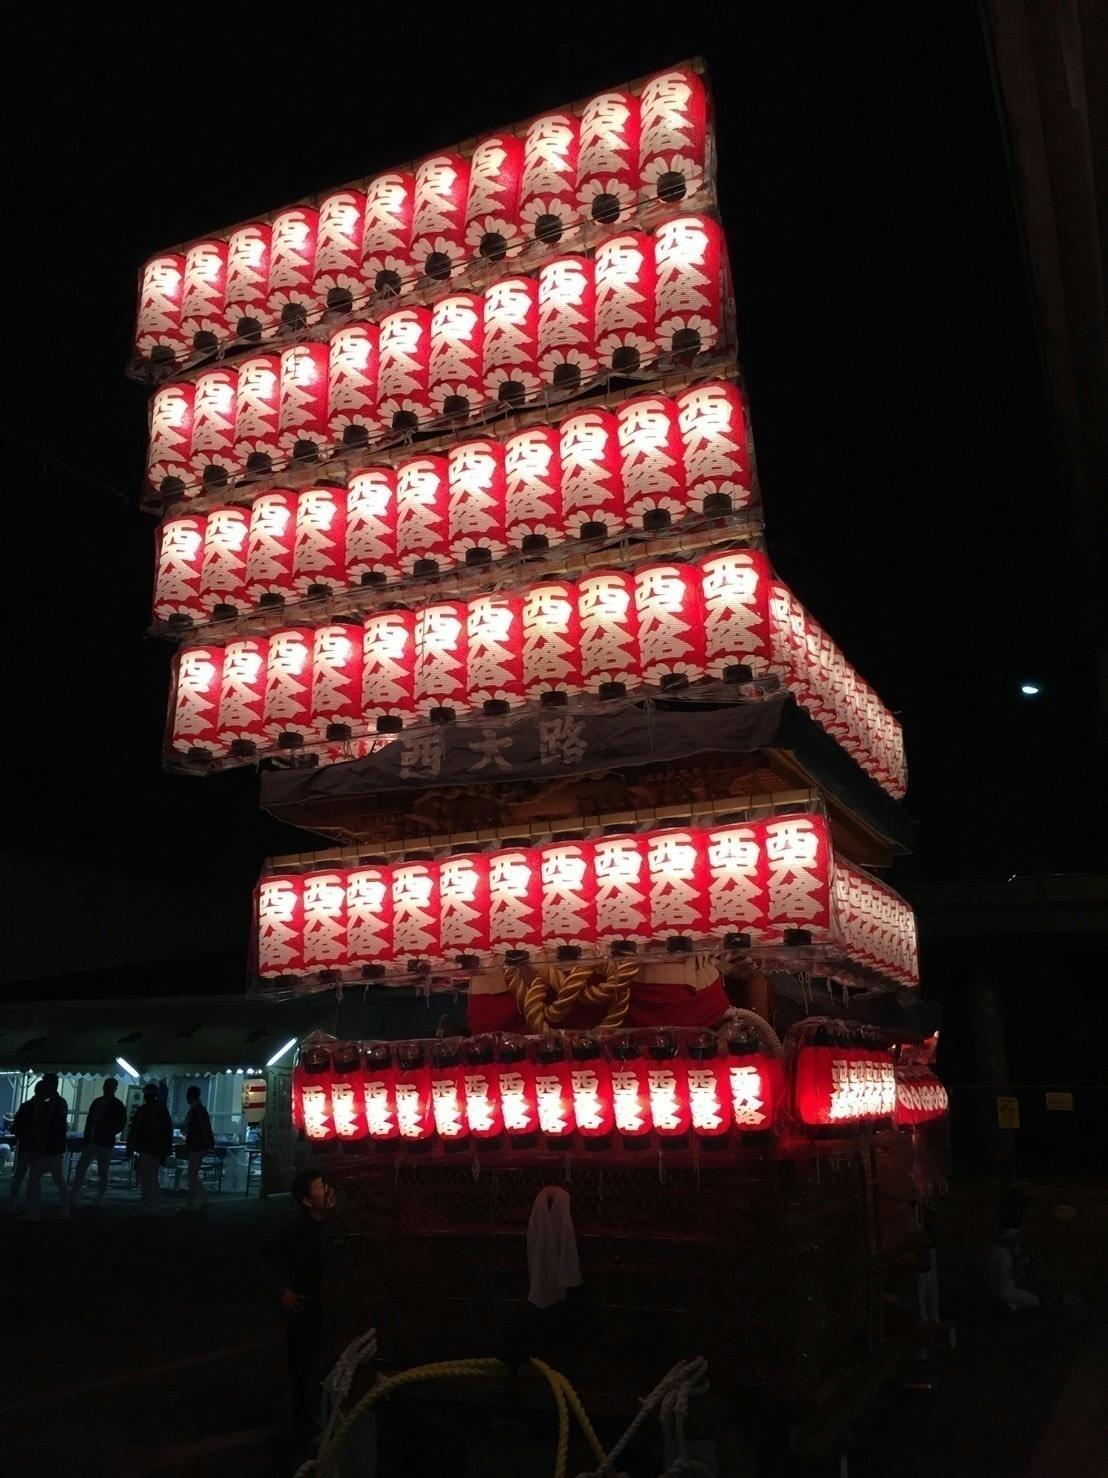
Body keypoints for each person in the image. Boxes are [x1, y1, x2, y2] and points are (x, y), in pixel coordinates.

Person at [275, 1170, 335, 1442]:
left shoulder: (339, 1225)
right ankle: (301, 1424)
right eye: (321, 1188)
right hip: (304, 1309)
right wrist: (282, 1291)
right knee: (301, 1367)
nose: (328, 1191)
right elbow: (263, 1257)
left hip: (332, 1308)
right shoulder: (293, 1230)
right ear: (307, 1201)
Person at [71, 1077, 127, 1207]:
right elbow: (121, 1123)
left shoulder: (98, 1102)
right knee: (101, 1171)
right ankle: (97, 1198)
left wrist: (88, 1136)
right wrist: (111, 1131)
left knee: (83, 1168)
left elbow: (90, 1120)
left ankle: (74, 1195)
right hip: (103, 1140)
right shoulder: (116, 1104)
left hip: (95, 1138)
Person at [25, 1073, 70, 1221]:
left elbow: (46, 1126)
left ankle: (34, 1212)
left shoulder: (51, 1104)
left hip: (48, 1147)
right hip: (54, 1147)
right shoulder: (58, 1102)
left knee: (35, 1178)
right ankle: (65, 1209)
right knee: (57, 1179)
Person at [127, 1082, 172, 1214]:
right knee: (152, 1177)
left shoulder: (143, 1110)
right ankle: (155, 1205)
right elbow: (167, 1131)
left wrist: (130, 1147)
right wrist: (166, 1151)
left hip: (145, 1148)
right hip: (158, 1150)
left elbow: (134, 1130)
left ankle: (148, 1205)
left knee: (146, 1178)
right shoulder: (162, 1110)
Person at [8, 1082, 45, 1209]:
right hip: (36, 1146)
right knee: (33, 1176)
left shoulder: (27, 1106)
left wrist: (22, 1136)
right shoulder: (44, 1108)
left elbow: (16, 1126)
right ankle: (31, 1203)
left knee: (20, 1174)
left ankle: (13, 1200)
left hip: (27, 1145)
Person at [182, 1085, 215, 1211]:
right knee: (193, 1174)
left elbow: (200, 1128)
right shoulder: (199, 1109)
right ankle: (202, 1199)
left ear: (190, 1096)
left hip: (196, 1146)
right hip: (199, 1146)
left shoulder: (196, 1110)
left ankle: (191, 1203)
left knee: (191, 1174)